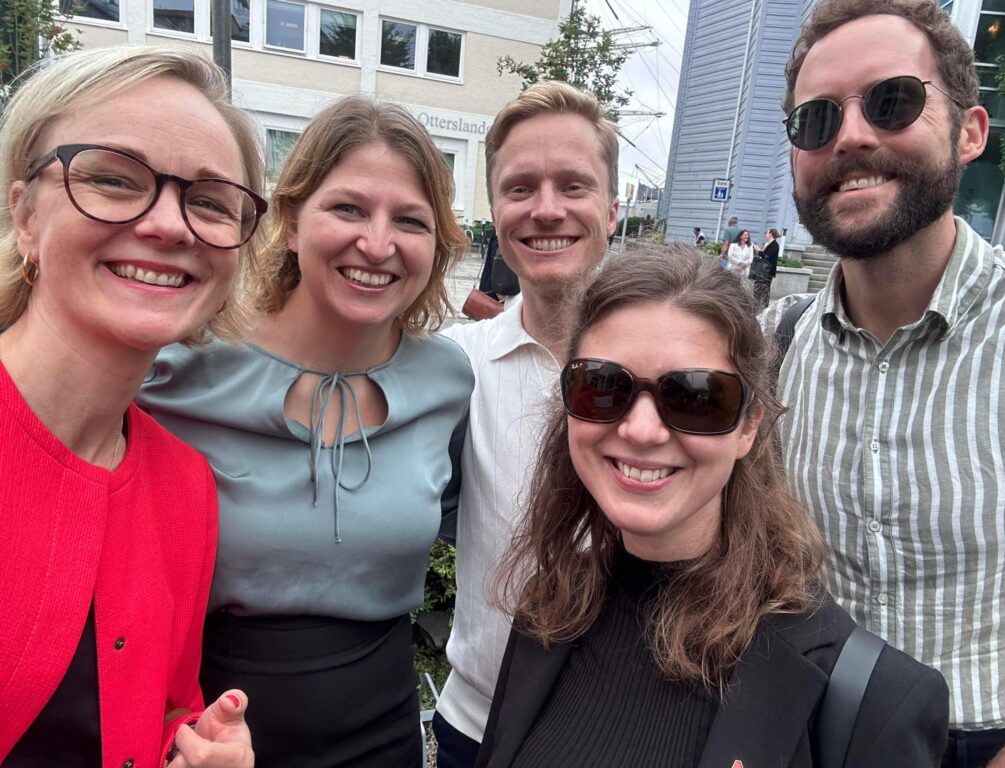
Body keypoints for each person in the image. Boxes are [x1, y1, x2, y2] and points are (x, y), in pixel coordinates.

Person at [479, 248, 948, 767]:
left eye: (695, 397)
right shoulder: (550, 608)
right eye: (603, 386)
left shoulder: (874, 699)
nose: (641, 430)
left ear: (749, 426)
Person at [138, 95, 472, 767]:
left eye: (409, 220)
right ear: (289, 221)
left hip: (384, 726)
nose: (376, 244)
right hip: (209, 729)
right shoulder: (177, 369)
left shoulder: (447, 381)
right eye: (347, 208)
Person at [772, 1, 1005, 765]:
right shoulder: (773, 346)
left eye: (892, 102)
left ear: (970, 131)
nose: (850, 136)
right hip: (821, 731)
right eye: (815, 120)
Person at [0, 45, 267, 766]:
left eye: (211, 202)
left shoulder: (186, 488)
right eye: (116, 180)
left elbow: (163, 707)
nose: (171, 225)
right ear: (24, 215)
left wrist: (195, 750)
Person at [433, 82, 619, 767]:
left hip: (623, 733)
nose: (547, 209)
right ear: (495, 212)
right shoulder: (455, 366)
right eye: (520, 188)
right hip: (476, 728)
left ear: (611, 207)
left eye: (573, 185)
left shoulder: (674, 370)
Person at [750, 227, 781, 308]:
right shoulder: (768, 244)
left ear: (770, 234)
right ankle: (756, 306)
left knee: (764, 291)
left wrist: (759, 251)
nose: (765, 235)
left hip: (767, 272)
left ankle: (764, 308)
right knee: (757, 290)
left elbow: (767, 258)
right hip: (761, 271)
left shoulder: (775, 245)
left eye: (766, 233)